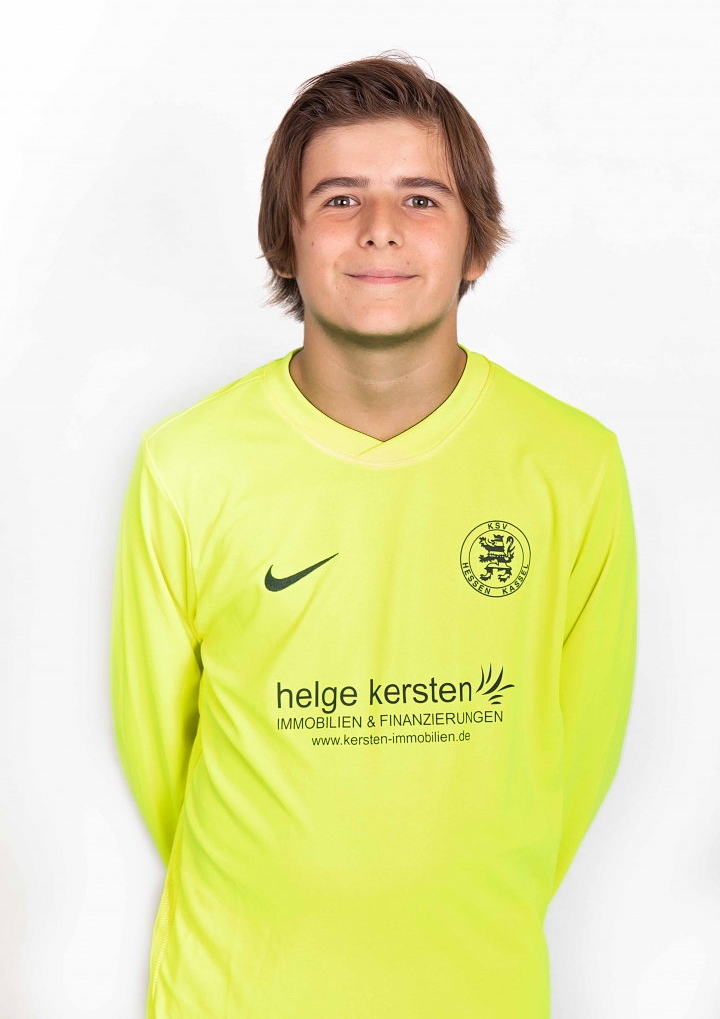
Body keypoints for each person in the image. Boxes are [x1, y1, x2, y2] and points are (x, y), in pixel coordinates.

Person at [110, 53, 637, 1018]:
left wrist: (444, 895)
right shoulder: (188, 463)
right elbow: (158, 751)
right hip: (235, 991)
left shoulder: (573, 464)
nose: (381, 228)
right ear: (286, 241)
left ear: (476, 245)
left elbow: (579, 748)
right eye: (341, 198)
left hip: (480, 990)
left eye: (422, 199)